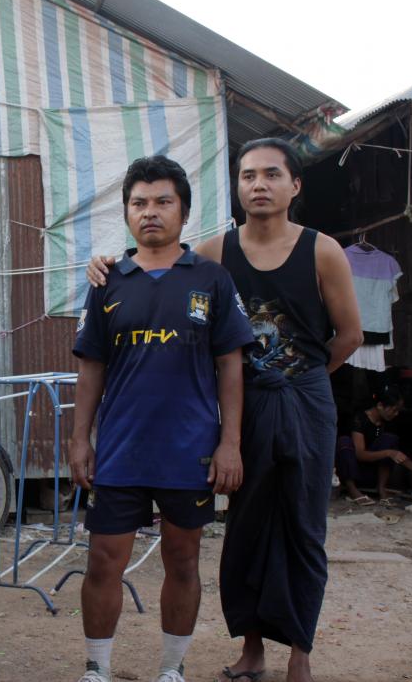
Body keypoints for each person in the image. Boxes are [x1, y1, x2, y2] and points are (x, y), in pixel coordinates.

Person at [87, 138, 363, 682]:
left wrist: (298, 380)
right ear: (235, 186)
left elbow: (349, 335)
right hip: (245, 403)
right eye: (247, 175)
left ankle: (300, 652)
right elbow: (161, 263)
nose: (259, 185)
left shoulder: (322, 249)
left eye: (271, 175)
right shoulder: (216, 254)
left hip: (305, 398)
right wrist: (105, 263)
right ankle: (252, 649)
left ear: (294, 185)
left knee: (305, 527)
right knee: (246, 527)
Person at [70, 156, 254, 682]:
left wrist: (230, 443)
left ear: (184, 211)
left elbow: (231, 366)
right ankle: (96, 670)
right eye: (139, 203)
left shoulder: (212, 280)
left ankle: (171, 670)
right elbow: (91, 367)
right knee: (104, 559)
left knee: (183, 559)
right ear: (127, 213)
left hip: (190, 449)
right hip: (122, 449)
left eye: (162, 202)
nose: (150, 212)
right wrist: (80, 439)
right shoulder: (107, 280)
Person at [335, 384, 412, 505]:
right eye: (394, 410)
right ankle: (352, 490)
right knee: (344, 442)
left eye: (398, 411)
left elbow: (396, 454)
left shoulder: (387, 422)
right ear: (379, 405)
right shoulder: (359, 419)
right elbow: (360, 454)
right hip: (352, 470)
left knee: (389, 439)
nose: (396, 414)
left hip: (371, 474)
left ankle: (381, 488)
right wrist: (388, 453)